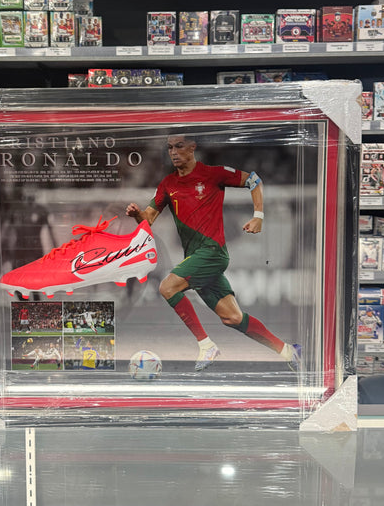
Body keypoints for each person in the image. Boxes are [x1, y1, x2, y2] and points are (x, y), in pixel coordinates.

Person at [126, 134, 301, 372]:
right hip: (195, 257)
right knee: (233, 318)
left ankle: (206, 345)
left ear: (192, 147)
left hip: (212, 252)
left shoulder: (213, 174)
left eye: (179, 146)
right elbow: (148, 219)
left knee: (167, 287)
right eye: (170, 148)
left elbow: (254, 180)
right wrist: (137, 214)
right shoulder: (168, 184)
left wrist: (258, 216)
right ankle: (288, 351)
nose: (173, 152)